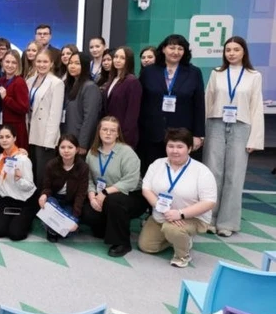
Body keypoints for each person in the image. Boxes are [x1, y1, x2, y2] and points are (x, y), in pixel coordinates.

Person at [203, 36, 264, 237]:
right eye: (228, 50)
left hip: (241, 126)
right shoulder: (217, 73)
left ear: (244, 52)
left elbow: (256, 107)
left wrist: (254, 139)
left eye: (236, 49)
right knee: (212, 173)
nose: (231, 53)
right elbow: (207, 101)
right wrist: (201, 133)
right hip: (215, 124)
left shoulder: (254, 75)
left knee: (235, 175)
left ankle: (227, 223)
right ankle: (209, 218)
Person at [138, 128, 217, 268]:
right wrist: (163, 209)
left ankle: (182, 255)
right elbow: (146, 189)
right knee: (147, 246)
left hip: (191, 217)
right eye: (171, 146)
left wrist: (180, 214)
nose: (174, 151)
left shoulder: (201, 171)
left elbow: (209, 202)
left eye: (180, 147)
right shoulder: (157, 164)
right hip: (162, 214)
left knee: (173, 230)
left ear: (189, 148)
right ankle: (178, 238)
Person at [79, 117, 145, 257]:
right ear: (99, 132)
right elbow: (88, 179)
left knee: (113, 201)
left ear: (117, 134)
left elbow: (131, 181)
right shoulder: (92, 152)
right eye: (105, 129)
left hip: (131, 195)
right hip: (102, 195)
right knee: (86, 211)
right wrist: (92, 197)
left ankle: (122, 243)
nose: (108, 133)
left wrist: (104, 192)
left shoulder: (127, 152)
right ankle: (107, 228)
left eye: (112, 130)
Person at [138, 34, 205, 172]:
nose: (176, 52)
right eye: (172, 48)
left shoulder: (194, 72)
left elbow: (199, 105)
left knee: (179, 172)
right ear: (163, 49)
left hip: (181, 134)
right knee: (152, 171)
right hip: (152, 133)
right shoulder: (149, 72)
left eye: (180, 48)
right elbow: (141, 102)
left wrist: (198, 135)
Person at [38, 134, 89, 242]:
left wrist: (74, 218)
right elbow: (46, 187)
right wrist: (44, 195)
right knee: (49, 204)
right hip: (54, 199)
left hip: (69, 202)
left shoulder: (83, 167)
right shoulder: (51, 165)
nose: (66, 150)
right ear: (58, 149)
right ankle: (52, 230)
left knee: (69, 232)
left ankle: (53, 229)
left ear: (77, 149)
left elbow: (81, 195)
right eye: (63, 147)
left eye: (70, 147)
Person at [0, 124, 37, 241]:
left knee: (15, 234)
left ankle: (27, 219)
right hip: (6, 199)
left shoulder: (23, 159)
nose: (4, 140)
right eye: (1, 137)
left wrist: (18, 180)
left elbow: (30, 186)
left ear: (14, 138)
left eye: (8, 137)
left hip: (23, 200)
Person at [27, 49, 65, 185]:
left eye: (45, 62)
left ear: (51, 63)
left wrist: (50, 140)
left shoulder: (56, 83)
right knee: (32, 170)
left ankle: (43, 197)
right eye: (39, 61)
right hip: (31, 130)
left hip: (45, 134)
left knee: (42, 173)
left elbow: (55, 114)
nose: (41, 65)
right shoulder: (30, 81)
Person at [61, 52, 102, 155]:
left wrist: (82, 144)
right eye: (70, 63)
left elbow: (90, 119)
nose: (72, 66)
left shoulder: (90, 87)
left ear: (84, 65)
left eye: (77, 63)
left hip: (79, 140)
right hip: (66, 137)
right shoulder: (69, 85)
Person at [103, 47, 142, 149]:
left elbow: (132, 113)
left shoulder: (132, 81)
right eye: (116, 57)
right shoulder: (113, 79)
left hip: (123, 135)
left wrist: (124, 136)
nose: (117, 60)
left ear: (128, 61)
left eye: (122, 58)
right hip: (110, 131)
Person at [0, 49, 30, 149]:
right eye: (7, 61)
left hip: (15, 129)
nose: (10, 65)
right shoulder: (1, 81)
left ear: (18, 65)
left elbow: (23, 108)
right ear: (2, 62)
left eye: (14, 62)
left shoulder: (19, 82)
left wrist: (6, 98)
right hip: (3, 126)